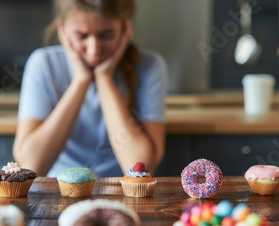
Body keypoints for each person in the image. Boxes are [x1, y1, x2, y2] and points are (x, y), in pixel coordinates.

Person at [13, 0, 168, 177]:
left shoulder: (150, 67)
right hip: (58, 190)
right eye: (81, 36)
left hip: (122, 191)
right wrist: (81, 81)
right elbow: (31, 166)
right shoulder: (43, 64)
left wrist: (104, 79)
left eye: (106, 35)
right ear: (63, 30)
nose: (94, 50)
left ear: (125, 29)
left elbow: (141, 168)